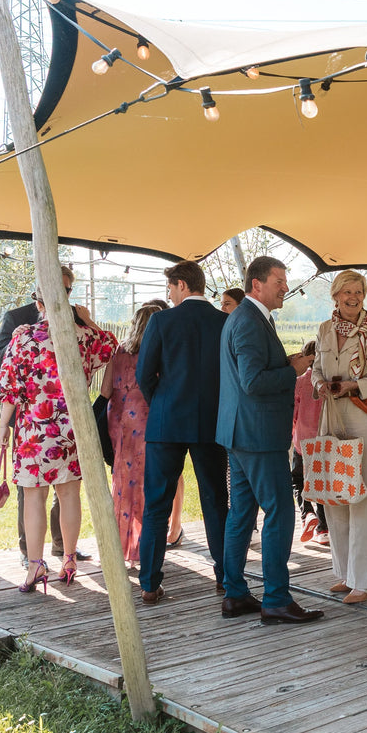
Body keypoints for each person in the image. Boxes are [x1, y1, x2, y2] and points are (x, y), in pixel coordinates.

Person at [217, 255, 324, 625]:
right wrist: (292, 369)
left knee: (241, 514)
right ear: (257, 284)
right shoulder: (249, 321)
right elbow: (252, 381)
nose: (285, 287)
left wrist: (286, 363)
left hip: (240, 433)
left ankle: (234, 594)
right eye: (279, 281)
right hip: (258, 435)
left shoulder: (246, 317)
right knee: (279, 512)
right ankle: (276, 598)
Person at [0, 288, 117, 593]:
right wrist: (88, 321)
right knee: (69, 495)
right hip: (72, 428)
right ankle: (70, 559)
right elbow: (111, 346)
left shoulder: (24, 337)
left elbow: (10, 388)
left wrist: (3, 426)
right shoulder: (84, 336)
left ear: (38, 304)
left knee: (34, 498)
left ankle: (35, 565)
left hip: (34, 431)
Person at [135, 260, 230, 605]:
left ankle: (149, 583)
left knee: (156, 504)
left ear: (182, 285)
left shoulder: (161, 321)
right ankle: (226, 578)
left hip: (166, 424)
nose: (170, 295)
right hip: (210, 423)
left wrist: (162, 403)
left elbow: (144, 374)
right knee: (216, 501)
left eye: (171, 288)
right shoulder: (225, 321)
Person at [313, 270, 367, 603]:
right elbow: (316, 369)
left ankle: (364, 581)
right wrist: (319, 384)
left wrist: (354, 385)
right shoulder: (324, 329)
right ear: (335, 295)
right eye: (347, 292)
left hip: (363, 415)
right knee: (335, 494)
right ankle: (345, 574)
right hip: (330, 414)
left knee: (362, 496)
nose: (353, 298)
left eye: (358, 292)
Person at [0, 264, 81, 566]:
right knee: (31, 492)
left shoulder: (77, 319)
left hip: (65, 423)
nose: (62, 294)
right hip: (34, 420)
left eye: (67, 289)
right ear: (39, 289)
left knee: (65, 491)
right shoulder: (17, 318)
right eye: (57, 288)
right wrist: (17, 341)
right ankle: (29, 551)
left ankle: (62, 547)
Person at [100, 299, 184, 568]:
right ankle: (142, 549)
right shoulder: (160, 354)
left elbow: (104, 390)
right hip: (148, 422)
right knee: (149, 486)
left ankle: (120, 548)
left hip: (119, 423)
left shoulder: (119, 350)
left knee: (122, 485)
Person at [291, 341, 329, 547]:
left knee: (298, 479)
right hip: (324, 440)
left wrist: (292, 432)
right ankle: (323, 529)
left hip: (302, 441)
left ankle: (307, 513)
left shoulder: (300, 382)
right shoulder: (328, 382)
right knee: (320, 482)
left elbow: (294, 413)